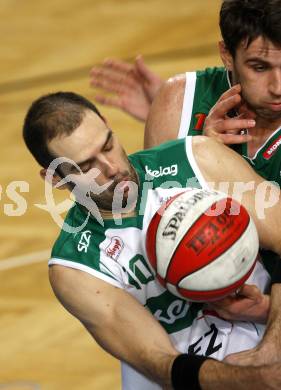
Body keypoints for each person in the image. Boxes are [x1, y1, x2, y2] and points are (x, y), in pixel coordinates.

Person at [23, 91, 281, 389]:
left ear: (108, 124)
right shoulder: (76, 269)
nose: (111, 168)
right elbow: (161, 364)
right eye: (85, 166)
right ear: (55, 178)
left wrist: (271, 339)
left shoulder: (196, 160)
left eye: (107, 144)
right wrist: (256, 379)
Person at [89, 0, 281, 159]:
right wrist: (198, 153)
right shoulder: (181, 102)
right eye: (259, 68)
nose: (277, 88)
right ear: (227, 55)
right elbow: (157, 203)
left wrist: (208, 161)